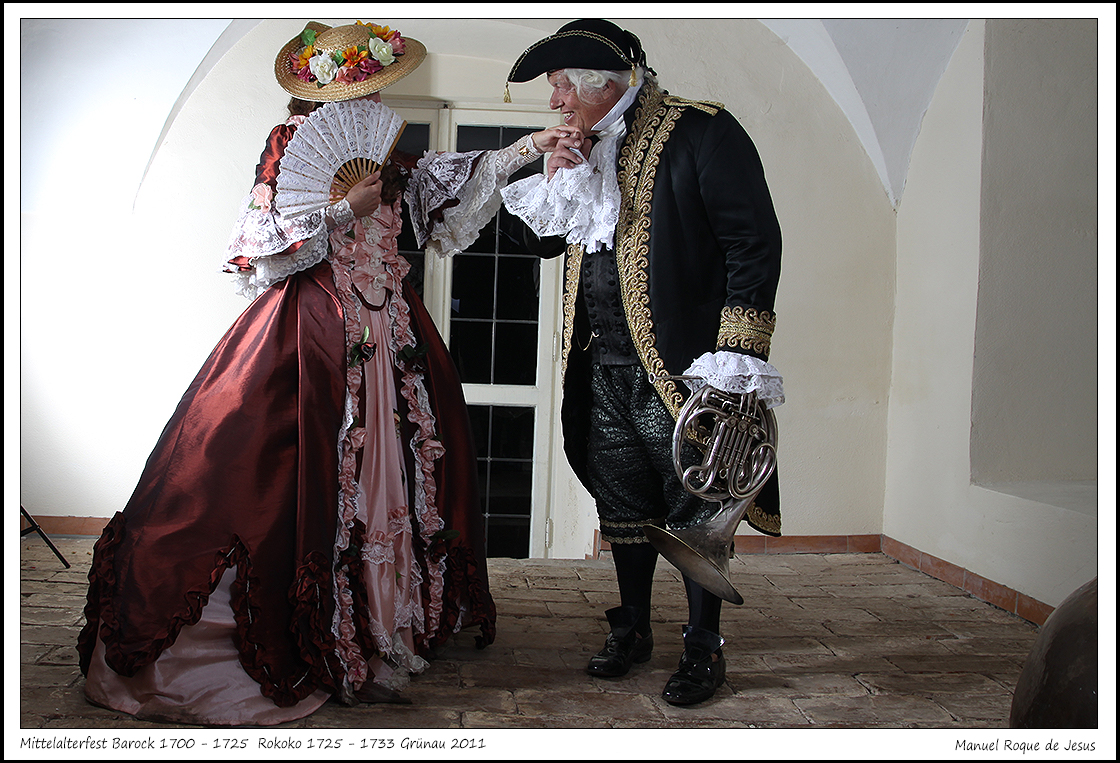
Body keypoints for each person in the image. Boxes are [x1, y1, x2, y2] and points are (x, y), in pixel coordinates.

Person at [77, 20, 577, 726]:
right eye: (364, 88)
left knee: (398, 470)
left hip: (391, 328)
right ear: (330, 91)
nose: (373, 100)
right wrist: (344, 209)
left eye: (377, 88)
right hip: (313, 331)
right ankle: (326, 635)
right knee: (270, 469)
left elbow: (444, 181)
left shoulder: (388, 150)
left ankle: (384, 624)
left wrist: (528, 147)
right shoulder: (288, 143)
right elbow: (262, 244)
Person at [501, 19, 784, 706]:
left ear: (600, 83)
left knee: (697, 509)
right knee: (622, 503)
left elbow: (754, 243)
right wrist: (554, 174)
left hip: (681, 372)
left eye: (561, 86)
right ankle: (631, 626)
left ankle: (703, 644)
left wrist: (737, 355)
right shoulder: (578, 147)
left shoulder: (702, 132)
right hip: (600, 365)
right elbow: (537, 241)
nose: (554, 101)